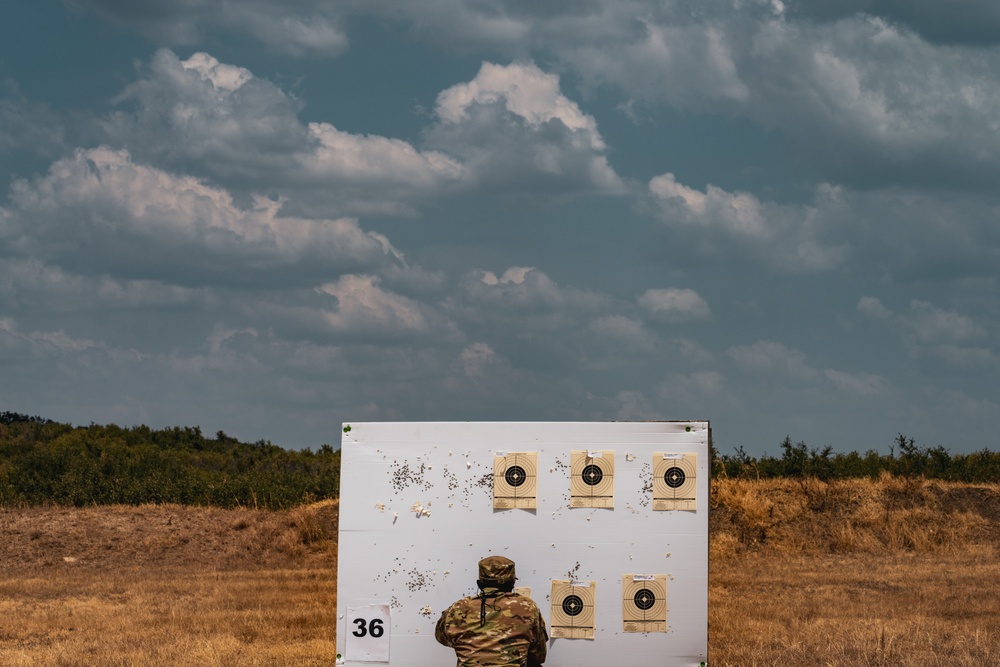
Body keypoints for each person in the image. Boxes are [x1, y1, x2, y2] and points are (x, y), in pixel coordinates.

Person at [435, 556, 548, 667]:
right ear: (512, 584)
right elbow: (539, 655)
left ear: (479, 584)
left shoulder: (458, 608)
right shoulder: (528, 607)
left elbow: (442, 638)